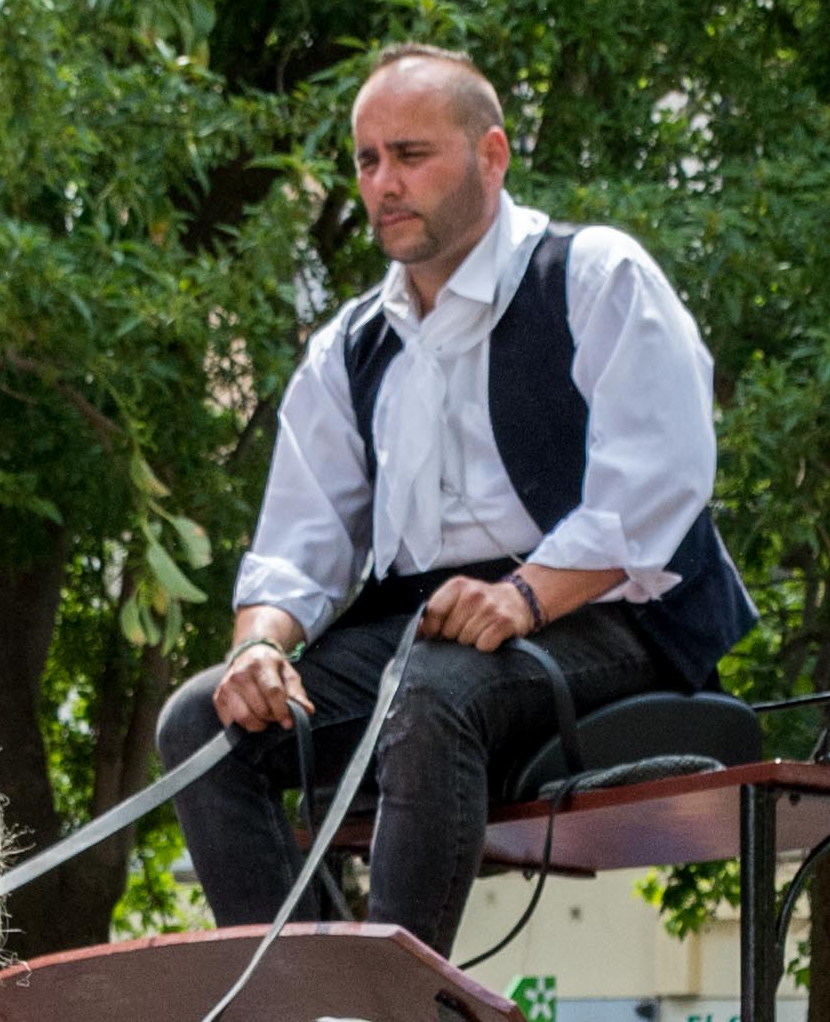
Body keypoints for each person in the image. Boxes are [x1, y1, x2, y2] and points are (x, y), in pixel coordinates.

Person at [158, 49, 746, 959]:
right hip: (424, 627)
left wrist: (522, 596)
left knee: (432, 686)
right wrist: (262, 648)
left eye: (411, 154)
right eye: (366, 161)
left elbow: (660, 481)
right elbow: (297, 549)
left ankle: (398, 1012)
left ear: (492, 156)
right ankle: (307, 998)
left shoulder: (591, 276)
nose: (384, 183)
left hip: (607, 614)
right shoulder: (348, 347)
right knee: (203, 721)